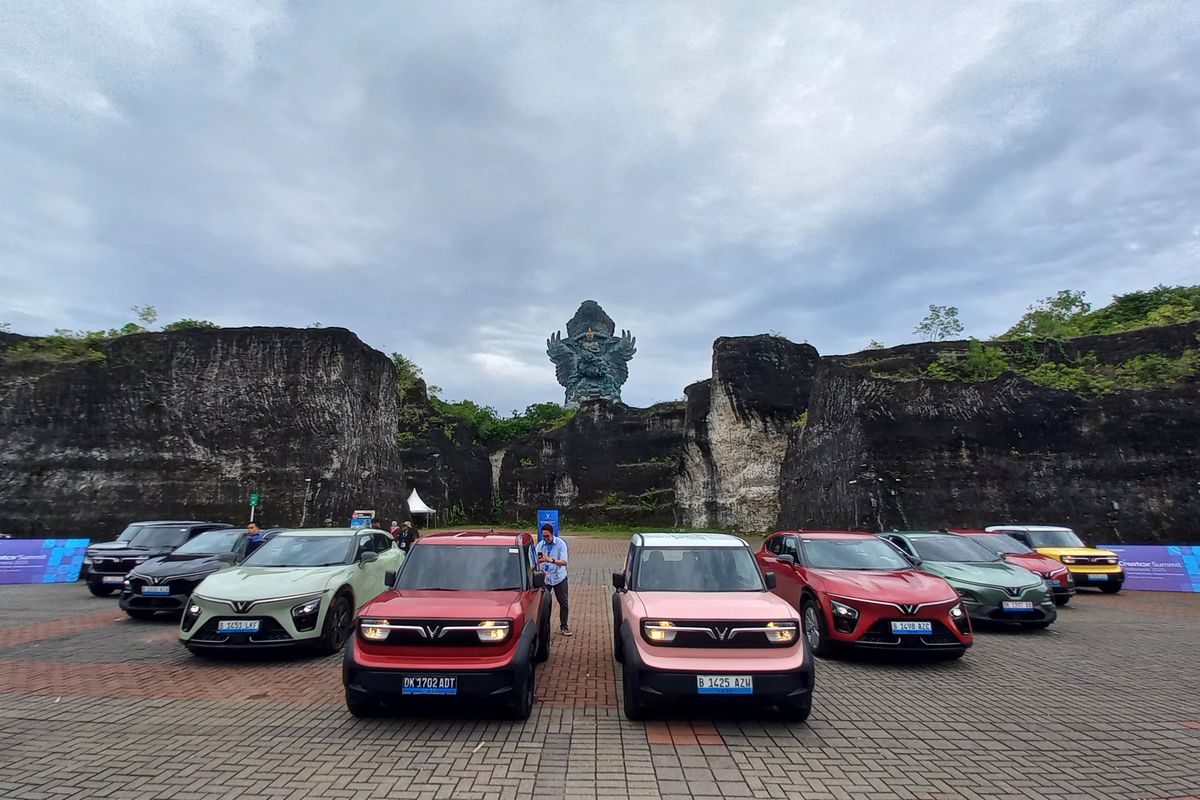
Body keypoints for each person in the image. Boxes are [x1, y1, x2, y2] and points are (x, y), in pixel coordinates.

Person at [535, 522, 571, 636]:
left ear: (552, 534)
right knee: (542, 604)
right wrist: (538, 563)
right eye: (543, 536)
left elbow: (564, 562)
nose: (545, 539)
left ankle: (564, 626)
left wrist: (552, 560)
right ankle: (542, 627)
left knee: (563, 603)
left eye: (547, 536)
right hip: (546, 578)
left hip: (559, 577)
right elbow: (535, 560)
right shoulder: (540, 545)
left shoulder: (561, 544)